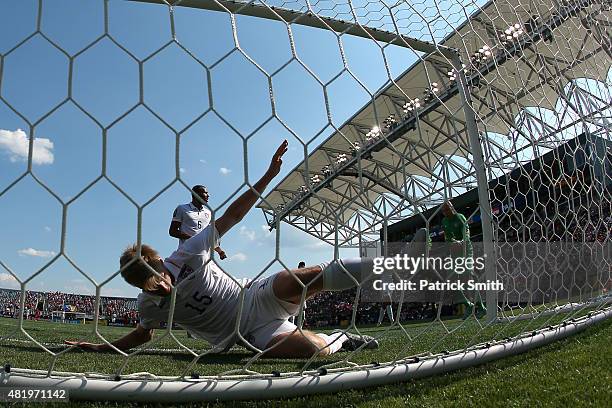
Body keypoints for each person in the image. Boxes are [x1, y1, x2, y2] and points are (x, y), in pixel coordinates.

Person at [66, 141, 379, 358]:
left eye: (159, 275)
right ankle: (340, 339)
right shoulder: (149, 306)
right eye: (151, 286)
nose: (162, 285)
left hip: (255, 295)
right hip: (250, 333)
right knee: (311, 350)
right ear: (138, 287)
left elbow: (232, 216)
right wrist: (97, 347)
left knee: (306, 275)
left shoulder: (190, 251)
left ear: (160, 261)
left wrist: (269, 174)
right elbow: (141, 335)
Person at [440, 201, 486, 319]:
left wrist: (461, 242)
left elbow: (466, 232)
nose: (446, 212)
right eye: (443, 210)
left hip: (466, 250)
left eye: (447, 209)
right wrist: (452, 243)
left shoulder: (460, 217)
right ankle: (468, 305)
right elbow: (448, 238)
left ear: (452, 207)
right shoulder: (444, 221)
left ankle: (481, 307)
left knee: (467, 276)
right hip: (454, 252)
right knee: (450, 281)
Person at [169, 185, 227, 260]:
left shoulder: (209, 213)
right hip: (187, 254)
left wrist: (220, 251)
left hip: (205, 256)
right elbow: (172, 231)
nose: (208, 195)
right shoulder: (182, 208)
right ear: (196, 194)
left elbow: (210, 236)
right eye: (205, 193)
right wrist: (194, 239)